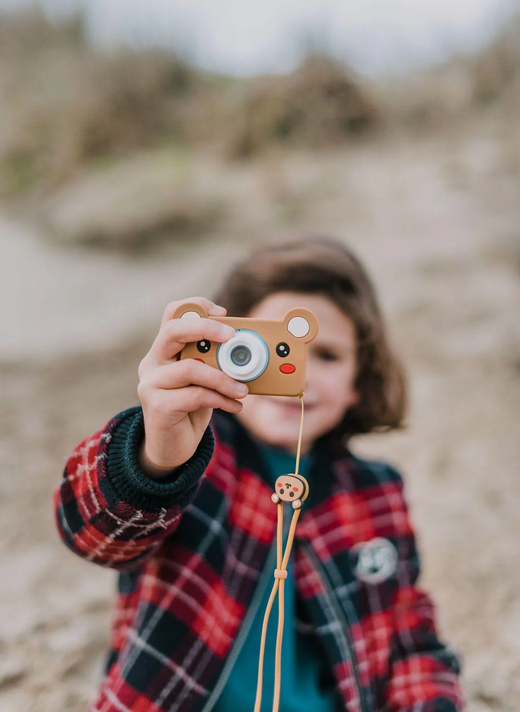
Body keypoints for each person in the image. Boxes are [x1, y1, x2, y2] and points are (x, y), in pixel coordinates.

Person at [53, 236, 465, 712]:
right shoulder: (192, 458)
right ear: (220, 353)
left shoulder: (377, 491)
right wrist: (156, 458)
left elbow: (408, 638)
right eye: (272, 348)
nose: (301, 372)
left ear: (360, 381)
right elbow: (92, 536)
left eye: (327, 354)